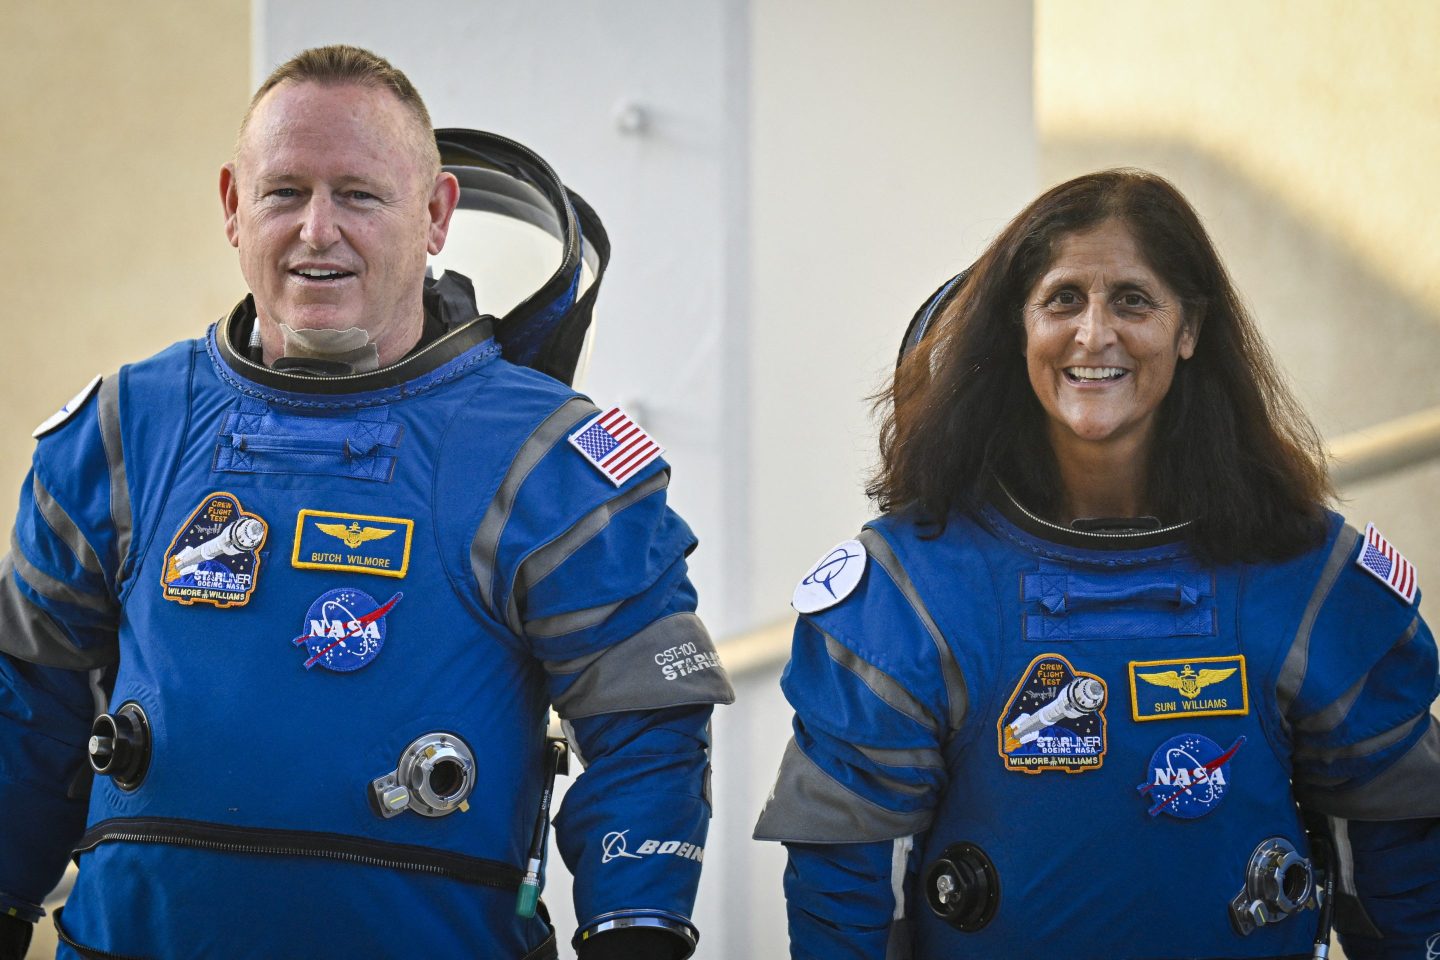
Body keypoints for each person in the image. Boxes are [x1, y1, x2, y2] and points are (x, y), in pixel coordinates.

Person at [0, 45, 732, 960]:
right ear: (233, 206)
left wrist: (636, 933)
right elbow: (28, 706)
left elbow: (648, 735)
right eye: (284, 192)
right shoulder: (120, 432)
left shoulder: (545, 460)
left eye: (358, 194)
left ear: (435, 215)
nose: (317, 230)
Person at [755, 169, 1440, 960]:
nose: (1094, 335)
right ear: (1018, 328)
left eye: (1133, 300)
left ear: (1190, 329)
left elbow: (1406, 875)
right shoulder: (914, 592)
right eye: (1063, 299)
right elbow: (844, 900)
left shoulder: (1306, 575)